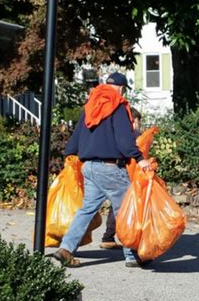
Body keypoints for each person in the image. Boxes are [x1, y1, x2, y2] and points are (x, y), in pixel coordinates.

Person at [53, 72, 152, 268]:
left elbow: (77, 136)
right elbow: (125, 140)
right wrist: (139, 158)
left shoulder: (90, 105)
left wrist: (69, 155)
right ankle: (132, 255)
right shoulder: (118, 106)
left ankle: (66, 248)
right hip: (109, 167)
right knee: (126, 210)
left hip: (88, 167)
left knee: (86, 209)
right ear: (122, 88)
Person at [99, 108, 142, 249]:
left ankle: (108, 237)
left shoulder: (114, 133)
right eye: (138, 121)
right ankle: (129, 244)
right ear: (134, 121)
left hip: (107, 169)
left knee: (110, 205)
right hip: (127, 173)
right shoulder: (135, 135)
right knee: (122, 205)